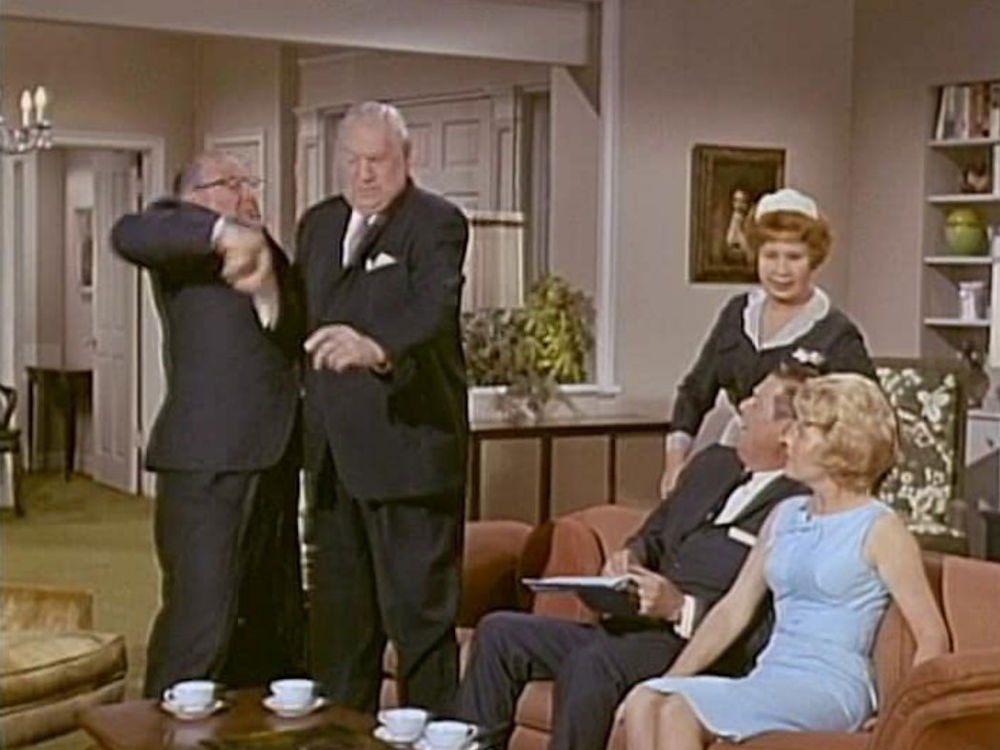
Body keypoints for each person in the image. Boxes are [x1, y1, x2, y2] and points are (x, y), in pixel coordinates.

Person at [451, 363, 817, 750]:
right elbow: (653, 533)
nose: (742, 407)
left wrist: (680, 609)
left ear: (786, 431)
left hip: (693, 647)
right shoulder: (713, 464)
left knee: (592, 663)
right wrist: (631, 556)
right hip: (630, 626)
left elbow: (767, 624)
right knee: (499, 633)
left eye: (757, 402)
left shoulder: (799, 506)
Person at [623, 373, 949, 750]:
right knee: (645, 699)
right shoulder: (785, 514)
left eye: (803, 429)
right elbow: (732, 611)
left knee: (679, 711)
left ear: (841, 443)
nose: (786, 438)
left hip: (830, 687)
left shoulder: (880, 528)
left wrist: (900, 714)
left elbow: (931, 635)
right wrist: (672, 678)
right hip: (771, 675)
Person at [296, 101, 469, 714]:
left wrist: (378, 349)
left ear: (406, 158)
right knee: (340, 634)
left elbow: (433, 311)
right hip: (333, 464)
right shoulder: (318, 225)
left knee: (420, 629)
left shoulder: (437, 224)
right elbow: (300, 318)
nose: (364, 174)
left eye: (378, 160)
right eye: (353, 160)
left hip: (409, 459)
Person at [112, 152, 304, 697]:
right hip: (207, 464)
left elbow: (289, 338)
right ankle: (161, 728)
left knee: (268, 622)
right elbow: (130, 233)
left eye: (250, 182)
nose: (247, 193)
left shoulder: (272, 256)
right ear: (195, 198)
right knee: (201, 621)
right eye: (230, 183)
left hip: (274, 459)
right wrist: (222, 234)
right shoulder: (177, 237)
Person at [661, 187, 875, 498]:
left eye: (794, 257)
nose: (781, 270)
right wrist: (674, 464)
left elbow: (865, 423)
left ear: (813, 260)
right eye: (770, 256)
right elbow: (695, 393)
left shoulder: (836, 334)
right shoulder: (737, 314)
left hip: (798, 478)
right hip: (737, 455)